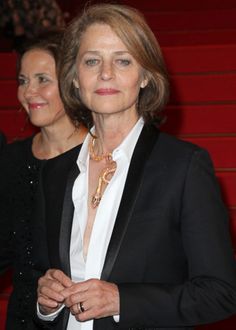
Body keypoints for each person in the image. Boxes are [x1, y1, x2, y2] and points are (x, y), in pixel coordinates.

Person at [36, 3, 236, 330]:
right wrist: (45, 301)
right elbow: (40, 278)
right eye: (92, 60)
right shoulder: (53, 174)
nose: (105, 73)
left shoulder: (184, 167)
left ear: (145, 76)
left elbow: (221, 293)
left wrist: (122, 301)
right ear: (73, 78)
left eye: (123, 60)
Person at [0, 31, 87, 329]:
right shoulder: (10, 160)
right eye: (23, 81)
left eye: (42, 79)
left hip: (84, 317)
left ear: (71, 82)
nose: (29, 92)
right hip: (24, 318)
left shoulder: (100, 157)